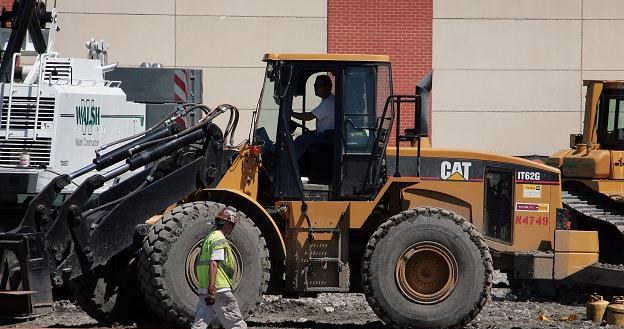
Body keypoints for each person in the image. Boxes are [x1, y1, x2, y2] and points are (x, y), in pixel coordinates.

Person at [192, 206, 247, 329]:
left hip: (204, 289)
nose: (233, 227)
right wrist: (212, 289)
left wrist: (208, 289)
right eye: (232, 224)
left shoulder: (209, 237)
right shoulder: (219, 238)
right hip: (219, 289)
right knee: (236, 324)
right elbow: (213, 263)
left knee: (200, 323)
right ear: (226, 224)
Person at [291, 74, 335, 159]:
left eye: (318, 86)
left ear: (327, 87)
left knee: (300, 140)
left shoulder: (328, 103)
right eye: (315, 85)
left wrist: (290, 114)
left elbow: (308, 117)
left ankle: (291, 165)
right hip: (326, 135)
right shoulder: (328, 101)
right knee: (305, 136)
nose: (315, 88)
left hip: (327, 137)